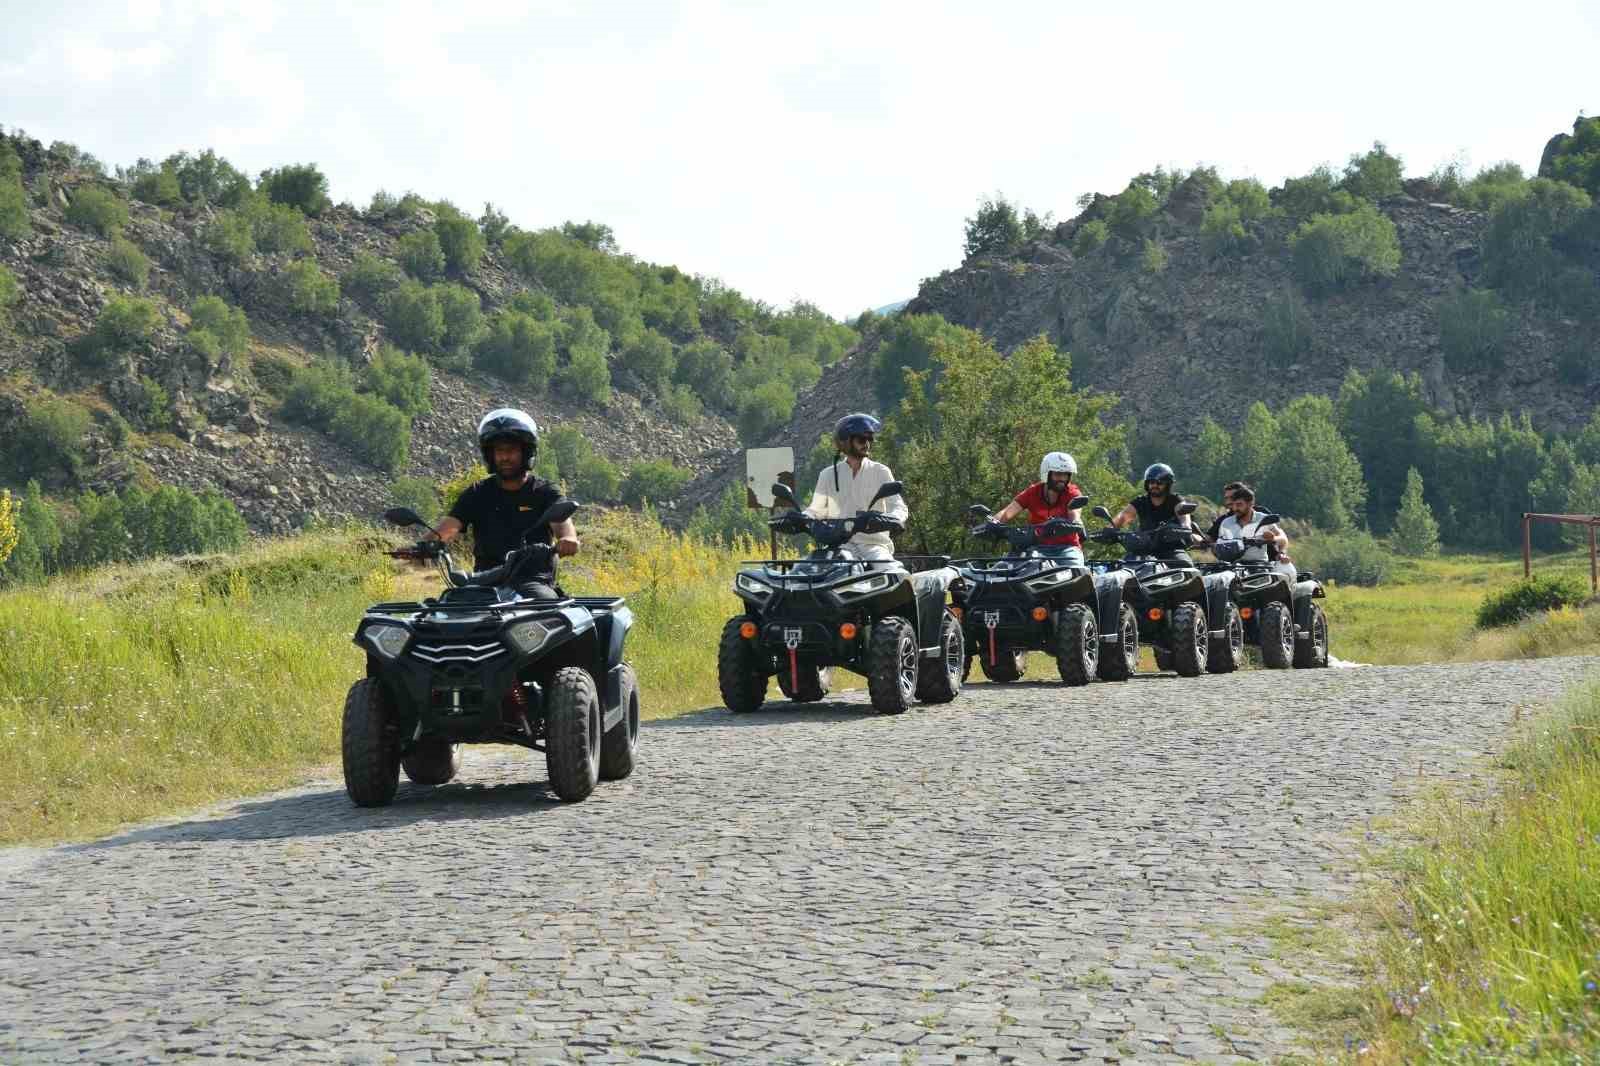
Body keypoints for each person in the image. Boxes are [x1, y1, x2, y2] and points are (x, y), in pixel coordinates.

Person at [430, 408, 579, 597]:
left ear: (526, 452)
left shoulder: (544, 492)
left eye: (511, 450)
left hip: (531, 581)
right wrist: (421, 546)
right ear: (490, 455)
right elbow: (447, 529)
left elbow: (562, 524)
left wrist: (568, 539)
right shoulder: (477, 493)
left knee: (543, 605)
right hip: (483, 581)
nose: (504, 457)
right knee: (449, 606)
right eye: (499, 451)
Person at [803, 412, 907, 563]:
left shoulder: (880, 471)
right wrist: (802, 517)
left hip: (874, 546)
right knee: (807, 575)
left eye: (869, 439)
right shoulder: (827, 474)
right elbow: (816, 510)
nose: (867, 444)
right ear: (845, 442)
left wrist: (893, 518)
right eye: (861, 439)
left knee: (891, 572)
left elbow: (898, 506)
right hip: (839, 547)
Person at [992, 452, 1085, 562]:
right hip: (1037, 548)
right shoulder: (1032, 492)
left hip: (1067, 548)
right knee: (1014, 568)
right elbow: (1007, 512)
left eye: (1066, 475)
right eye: (1058, 474)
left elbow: (1074, 513)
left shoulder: (1072, 493)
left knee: (1074, 567)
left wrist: (1075, 522)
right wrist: (992, 523)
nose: (1062, 479)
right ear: (1047, 474)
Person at [1213, 482, 1295, 581]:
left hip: (1258, 566)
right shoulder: (1226, 522)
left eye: (1239, 505)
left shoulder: (1263, 519)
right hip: (1232, 567)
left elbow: (1283, 539)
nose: (1235, 508)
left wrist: (1274, 540)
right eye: (1233, 505)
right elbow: (1220, 544)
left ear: (1251, 503)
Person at [1110, 462, 1193, 533]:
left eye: (1159, 483)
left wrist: (1185, 526)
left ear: (1167, 485)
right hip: (1144, 547)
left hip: (1173, 548)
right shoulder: (1140, 502)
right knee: (1128, 553)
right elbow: (1123, 516)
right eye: (1152, 482)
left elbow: (1184, 518)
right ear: (1147, 484)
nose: (1155, 485)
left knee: (1181, 553)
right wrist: (1110, 528)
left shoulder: (1175, 500)